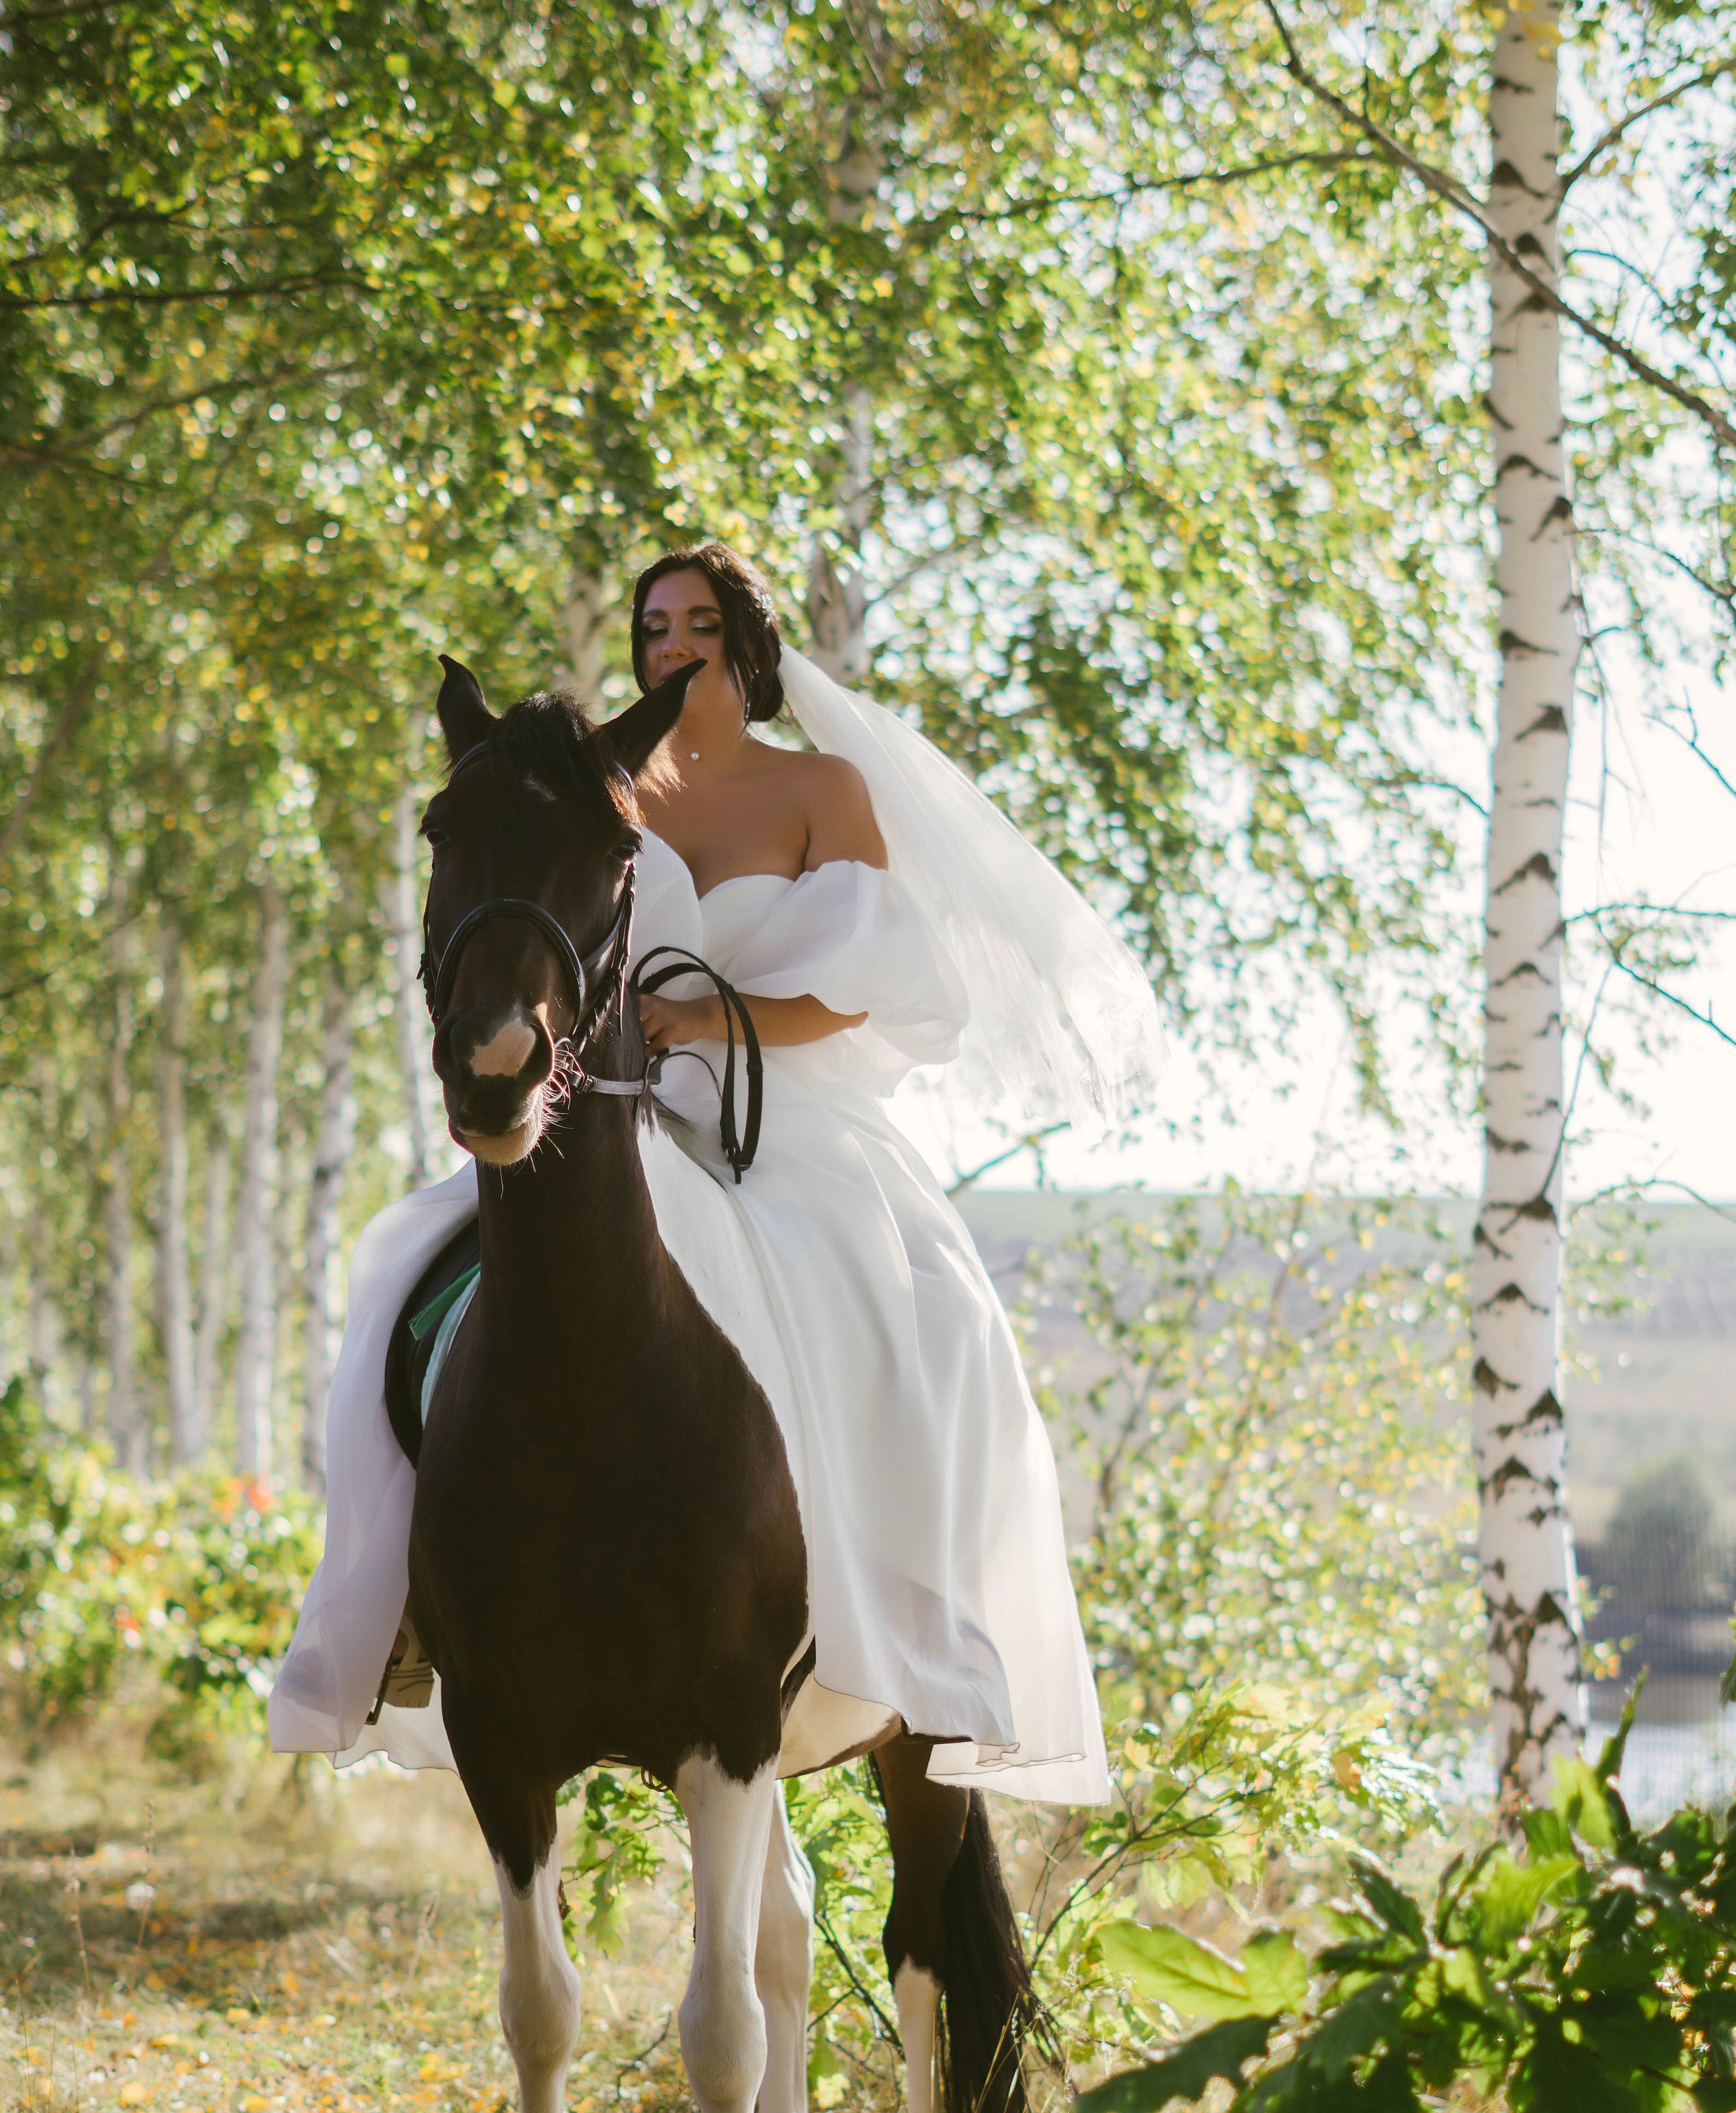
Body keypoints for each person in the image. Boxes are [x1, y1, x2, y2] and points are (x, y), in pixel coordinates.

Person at [267, 544, 1164, 1803]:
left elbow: (862, 1004)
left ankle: (921, 1627)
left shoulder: (821, 790)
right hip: (603, 1111)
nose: (672, 643)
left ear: (750, 646)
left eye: (697, 621)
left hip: (779, 1111)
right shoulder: (604, 790)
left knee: (932, 1314)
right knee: (400, 1274)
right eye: (652, 626)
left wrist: (707, 1023)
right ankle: (402, 1619)